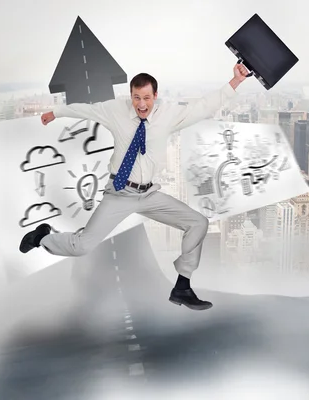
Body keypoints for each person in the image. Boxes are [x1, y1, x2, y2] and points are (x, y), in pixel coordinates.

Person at [19, 63, 250, 310]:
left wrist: (235, 81)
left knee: (198, 223)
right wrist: (56, 112)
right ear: (131, 96)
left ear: (155, 96)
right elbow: (87, 110)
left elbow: (203, 107)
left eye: (147, 98)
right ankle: (43, 237)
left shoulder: (168, 115)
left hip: (149, 193)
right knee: (82, 246)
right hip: (120, 192)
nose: (141, 104)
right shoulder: (116, 110)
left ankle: (182, 287)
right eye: (137, 98)